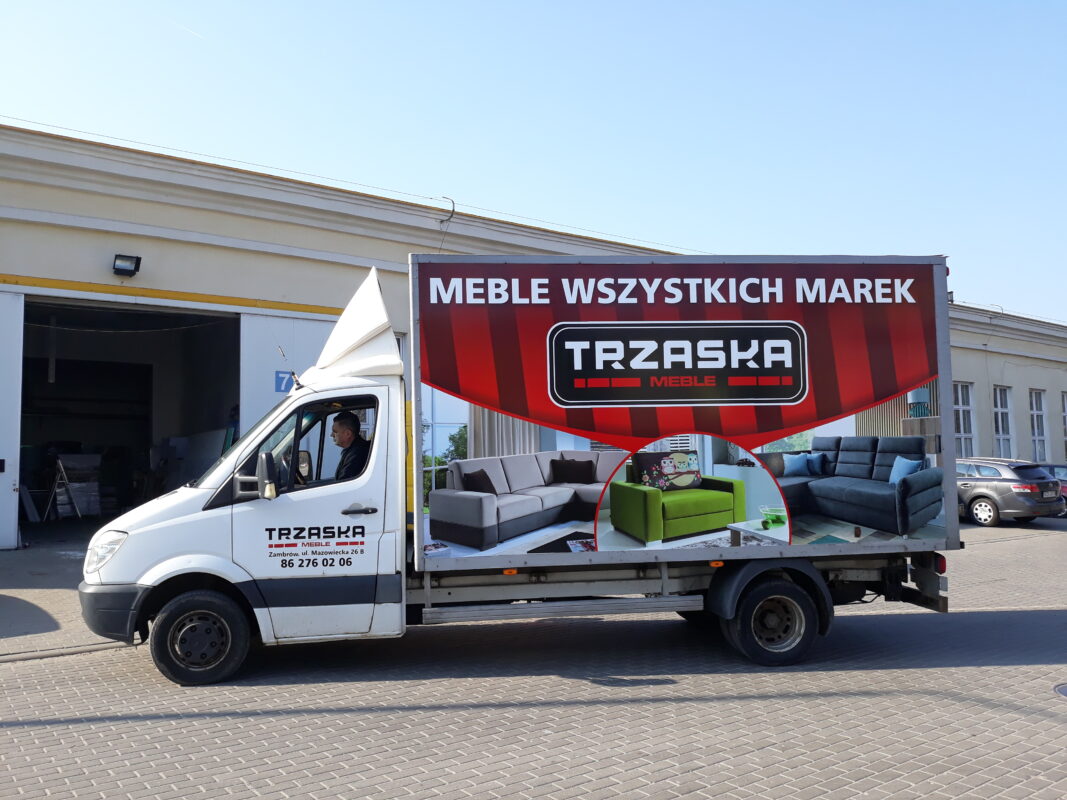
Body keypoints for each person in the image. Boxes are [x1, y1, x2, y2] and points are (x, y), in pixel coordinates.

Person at [332, 411, 370, 480]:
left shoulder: (357, 454)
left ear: (348, 434)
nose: (331, 435)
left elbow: (344, 482)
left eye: (335, 432)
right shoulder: (354, 450)